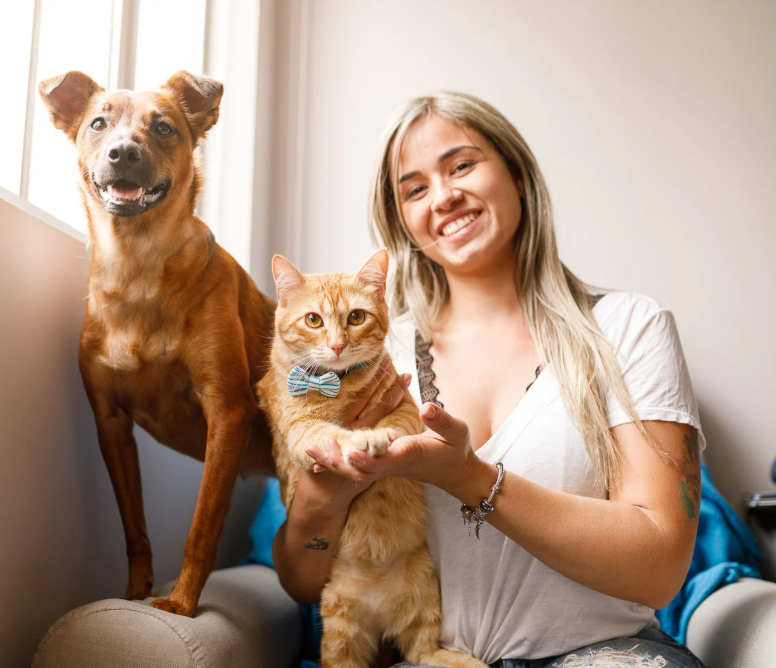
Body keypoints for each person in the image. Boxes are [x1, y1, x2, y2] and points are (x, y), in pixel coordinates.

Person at [272, 91, 706, 668]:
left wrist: (471, 478)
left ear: (518, 174)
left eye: (462, 165)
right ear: (402, 219)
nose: (444, 195)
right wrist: (328, 493)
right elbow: (303, 579)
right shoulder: (361, 352)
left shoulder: (627, 327)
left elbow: (660, 572)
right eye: (415, 188)